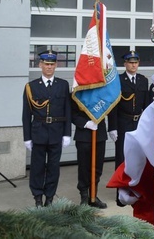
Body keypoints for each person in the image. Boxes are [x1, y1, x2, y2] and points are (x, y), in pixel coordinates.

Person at [22, 50, 71, 207]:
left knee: (53, 167)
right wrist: (27, 137)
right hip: (38, 132)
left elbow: (67, 110)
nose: (49, 67)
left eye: (52, 64)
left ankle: (49, 197)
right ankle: (37, 196)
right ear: (40, 65)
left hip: (56, 132)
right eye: (46, 64)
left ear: (56, 65)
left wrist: (67, 134)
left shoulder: (63, 85)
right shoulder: (31, 87)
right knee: (37, 167)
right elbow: (26, 114)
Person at [107, 50, 152, 206]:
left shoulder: (142, 80)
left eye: (136, 62)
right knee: (122, 158)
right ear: (125, 64)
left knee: (139, 157)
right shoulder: (118, 81)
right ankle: (120, 192)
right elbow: (113, 105)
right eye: (130, 62)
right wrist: (112, 127)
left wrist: (148, 125)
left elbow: (146, 105)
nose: (133, 65)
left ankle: (137, 190)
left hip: (138, 123)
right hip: (122, 123)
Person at [72, 94, 111, 208]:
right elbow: (72, 114)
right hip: (83, 135)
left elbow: (109, 106)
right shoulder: (77, 93)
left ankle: (93, 196)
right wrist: (85, 123)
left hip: (99, 133)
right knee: (84, 167)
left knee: (97, 168)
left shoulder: (102, 92)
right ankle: (84, 196)